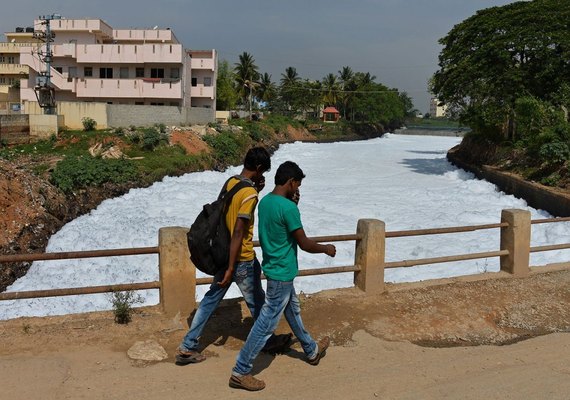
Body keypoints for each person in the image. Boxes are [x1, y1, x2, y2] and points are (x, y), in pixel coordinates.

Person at [176, 147, 291, 365]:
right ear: (258, 168)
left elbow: (227, 214)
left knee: (211, 301)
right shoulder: (249, 194)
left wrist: (254, 187)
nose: (263, 175)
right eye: (263, 171)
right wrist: (231, 267)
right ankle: (266, 342)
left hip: (224, 252)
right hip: (241, 259)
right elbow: (239, 230)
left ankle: (188, 346)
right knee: (258, 302)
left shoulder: (231, 182)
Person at [229, 161, 336, 391]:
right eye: (297, 184)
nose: (298, 189)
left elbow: (277, 229)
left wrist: (291, 203)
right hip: (282, 272)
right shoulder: (289, 208)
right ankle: (240, 370)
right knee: (266, 323)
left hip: (273, 267)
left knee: (293, 310)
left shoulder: (266, 201)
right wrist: (326, 248)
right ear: (290, 182)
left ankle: (311, 350)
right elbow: (304, 243)